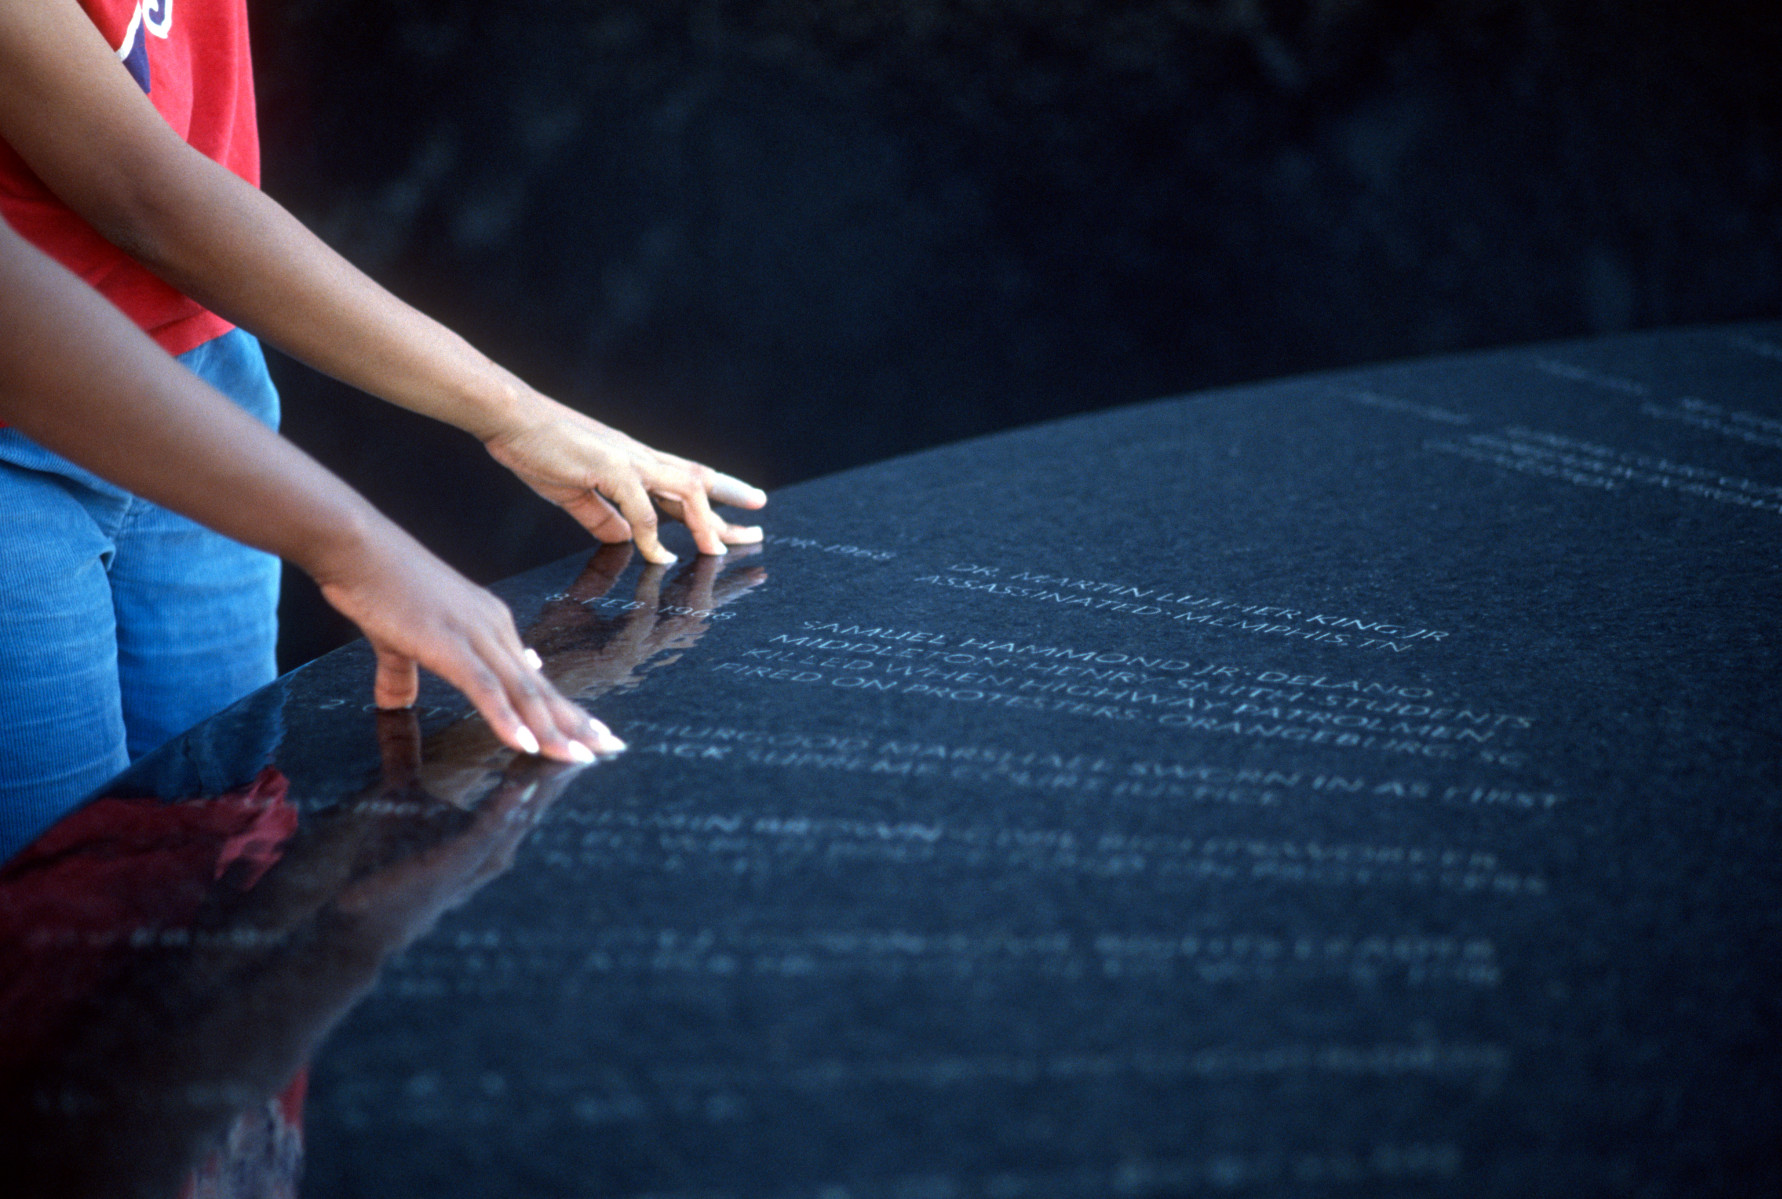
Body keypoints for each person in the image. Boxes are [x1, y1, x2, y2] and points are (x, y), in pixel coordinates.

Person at [0, 1, 766, 836]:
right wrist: (369, 538)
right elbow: (139, 192)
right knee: (48, 897)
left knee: (217, 840)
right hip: (27, 425)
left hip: (207, 369)